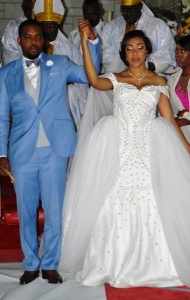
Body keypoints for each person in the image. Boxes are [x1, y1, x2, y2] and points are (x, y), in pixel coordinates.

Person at [59, 29, 190, 288]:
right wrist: (86, 43)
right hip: (118, 147)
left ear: (147, 51)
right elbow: (94, 81)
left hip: (150, 147)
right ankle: (111, 262)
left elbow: (168, 119)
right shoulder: (116, 78)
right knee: (112, 198)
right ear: (124, 53)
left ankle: (159, 264)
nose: (135, 53)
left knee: (155, 197)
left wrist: (187, 147)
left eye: (139, 47)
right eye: (129, 49)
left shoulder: (159, 82)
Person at [0, 18, 100, 285]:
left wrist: (93, 42)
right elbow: (2, 116)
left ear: (44, 40)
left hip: (56, 149)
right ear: (19, 41)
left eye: (38, 37)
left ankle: (51, 263)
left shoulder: (60, 64)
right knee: (26, 210)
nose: (33, 41)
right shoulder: (7, 73)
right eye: (27, 37)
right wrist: (0, 153)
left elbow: (92, 75)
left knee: (54, 210)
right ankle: (30, 263)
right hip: (21, 152)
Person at [34, 0, 88, 128]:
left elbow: (82, 78)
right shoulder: (34, 49)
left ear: (58, 26)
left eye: (52, 25)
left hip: (66, 100)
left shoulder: (69, 49)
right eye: (45, 25)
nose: (49, 29)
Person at [101, 0, 176, 75]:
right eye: (124, 10)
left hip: (149, 76)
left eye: (132, 9)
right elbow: (103, 49)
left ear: (140, 6)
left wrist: (142, 66)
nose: (128, 14)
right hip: (117, 75)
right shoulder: (111, 27)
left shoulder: (158, 25)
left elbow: (167, 53)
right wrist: (120, 62)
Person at [168, 35, 190, 143]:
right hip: (182, 132)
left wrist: (187, 117)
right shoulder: (173, 79)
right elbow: (171, 107)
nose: (178, 55)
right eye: (176, 51)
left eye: (183, 51)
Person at [1, 0, 35, 65]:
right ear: (23, 7)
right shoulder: (13, 27)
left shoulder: (46, 25)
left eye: (33, 7)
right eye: (28, 8)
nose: (31, 11)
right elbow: (9, 57)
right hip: (21, 71)